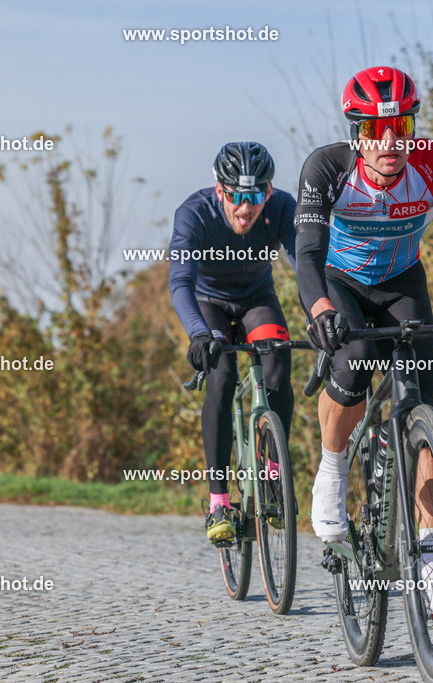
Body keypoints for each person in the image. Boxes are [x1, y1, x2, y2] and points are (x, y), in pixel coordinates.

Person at [293, 66, 433, 614]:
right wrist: (320, 312)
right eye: (375, 129)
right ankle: (332, 471)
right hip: (341, 282)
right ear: (356, 133)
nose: (390, 141)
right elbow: (308, 254)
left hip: (401, 282)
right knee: (356, 359)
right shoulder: (326, 168)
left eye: (402, 127)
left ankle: (430, 547)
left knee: (421, 401)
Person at [169, 141, 297, 543]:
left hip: (257, 300)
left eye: (255, 196)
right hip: (209, 306)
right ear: (219, 190)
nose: (245, 208)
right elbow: (180, 282)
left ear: (269, 192)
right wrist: (198, 333)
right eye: (236, 196)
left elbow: (306, 268)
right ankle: (219, 502)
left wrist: (322, 315)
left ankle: (273, 474)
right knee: (222, 378)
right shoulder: (194, 214)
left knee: (278, 365)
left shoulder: (282, 208)